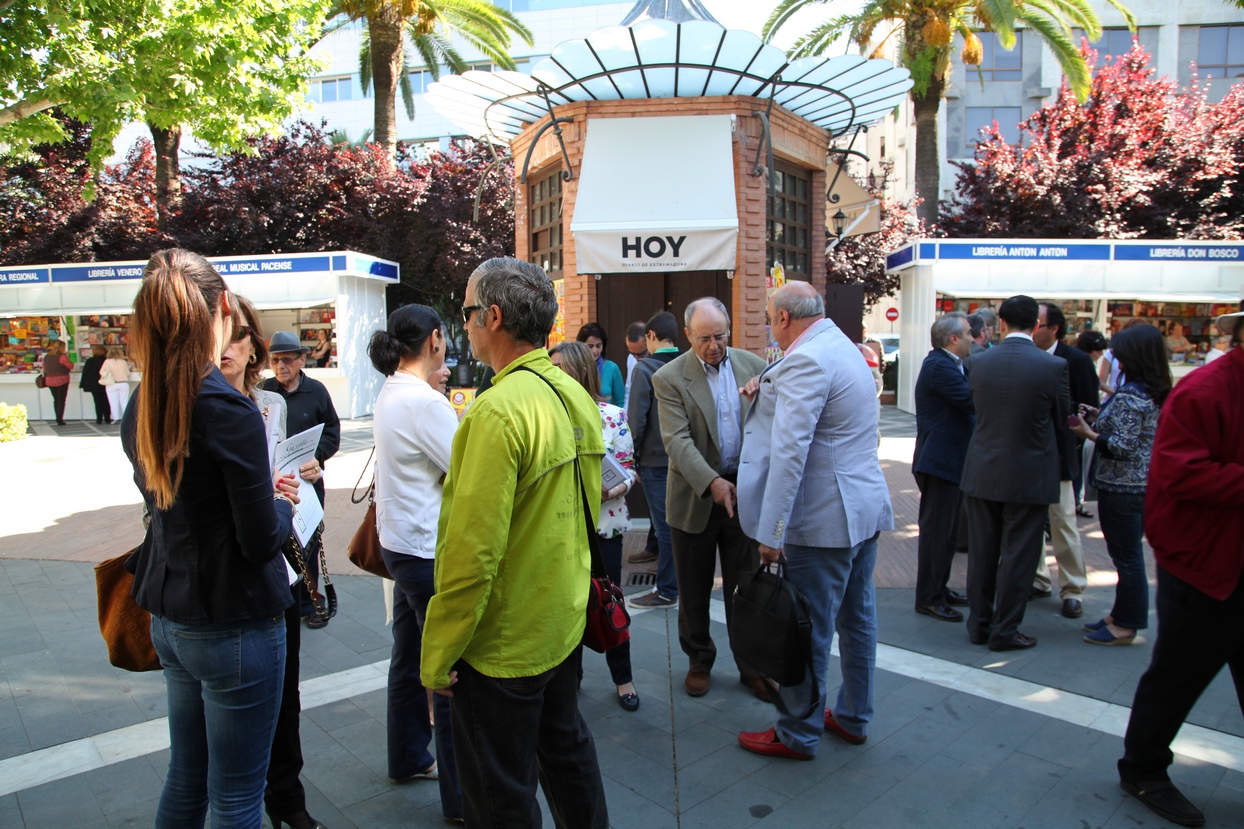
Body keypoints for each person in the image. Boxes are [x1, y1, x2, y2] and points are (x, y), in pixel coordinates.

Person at [420, 257, 608, 829]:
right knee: (567, 755)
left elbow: (469, 554)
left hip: (503, 644)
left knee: (500, 797)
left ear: (493, 317)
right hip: (562, 619)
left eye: (469, 311)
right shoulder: (572, 394)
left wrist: (438, 654)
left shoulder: (498, 410)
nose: (466, 322)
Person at [122, 249, 298, 829]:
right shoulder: (227, 409)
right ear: (223, 307)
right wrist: (279, 501)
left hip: (171, 618)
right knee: (237, 799)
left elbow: (170, 505)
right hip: (235, 624)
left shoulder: (143, 404)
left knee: (186, 778)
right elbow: (258, 542)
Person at [736, 282, 893, 759]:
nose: (769, 327)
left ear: (783, 319)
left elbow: (790, 452)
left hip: (824, 520)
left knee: (809, 630)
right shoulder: (838, 345)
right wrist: (764, 386)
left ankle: (797, 733)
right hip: (861, 510)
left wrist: (772, 531)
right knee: (858, 619)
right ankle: (852, 716)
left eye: (769, 318)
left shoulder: (807, 358)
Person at [1115, 311, 1244, 828]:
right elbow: (1181, 473)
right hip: (1203, 565)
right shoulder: (1205, 390)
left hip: (1223, 557)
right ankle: (1142, 768)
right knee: (1177, 675)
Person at [219, 296, 328, 829]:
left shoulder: (270, 404)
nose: (225, 348)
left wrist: (297, 473)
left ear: (253, 345)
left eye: (237, 336)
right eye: (217, 334)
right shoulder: (185, 405)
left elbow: (279, 460)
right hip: (223, 574)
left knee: (287, 695)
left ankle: (288, 800)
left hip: (279, 556)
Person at [368, 304, 463, 821]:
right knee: (444, 671)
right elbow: (465, 471)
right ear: (434, 340)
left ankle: (406, 754)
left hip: (398, 544)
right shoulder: (423, 402)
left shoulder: (392, 391)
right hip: (426, 550)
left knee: (409, 656)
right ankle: (460, 799)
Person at [652, 297, 769, 700]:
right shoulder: (669, 377)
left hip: (745, 493)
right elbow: (677, 442)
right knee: (694, 588)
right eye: (704, 338)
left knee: (747, 588)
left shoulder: (755, 366)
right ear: (687, 335)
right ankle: (699, 659)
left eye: (720, 335)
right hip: (695, 495)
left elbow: (773, 422)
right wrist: (712, 482)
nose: (713, 345)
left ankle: (751, 665)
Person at [960, 295, 1071, 652]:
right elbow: (1061, 421)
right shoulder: (1052, 367)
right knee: (1020, 556)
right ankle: (1005, 630)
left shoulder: (977, 363)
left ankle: (978, 625)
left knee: (982, 553)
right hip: (1030, 472)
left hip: (983, 468)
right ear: (1036, 325)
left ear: (1001, 324)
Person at [551, 341, 640, 712]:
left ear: (580, 371)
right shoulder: (545, 416)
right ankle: (571, 678)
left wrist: (613, 488)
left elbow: (630, 469)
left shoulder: (613, 417)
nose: (552, 375)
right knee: (565, 608)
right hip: (558, 530)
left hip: (604, 526)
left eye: (559, 368)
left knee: (607, 601)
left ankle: (624, 679)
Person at [1069, 324, 1170, 646]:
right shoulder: (1150, 389)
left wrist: (1089, 433)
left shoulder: (1131, 394)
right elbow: (1135, 434)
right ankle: (1121, 614)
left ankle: (1127, 623)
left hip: (1122, 486)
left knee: (1126, 557)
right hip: (1138, 485)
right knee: (1128, 555)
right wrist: (1100, 415)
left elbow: (1123, 446)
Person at [261, 331, 341, 629]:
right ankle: (283, 600)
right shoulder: (264, 392)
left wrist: (318, 457)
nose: (280, 366)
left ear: (302, 360)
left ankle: (310, 602)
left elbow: (332, 433)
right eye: (274, 360)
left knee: (307, 542)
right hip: (275, 483)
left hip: (308, 480)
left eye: (287, 360)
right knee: (279, 540)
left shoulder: (317, 391)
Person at [1031, 303, 1095, 617]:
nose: (1031, 330)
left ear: (1054, 328)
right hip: (1027, 452)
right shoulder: (1026, 355)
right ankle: (1038, 579)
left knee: (1064, 523)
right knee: (1030, 522)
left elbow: (1088, 408)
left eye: (1036, 324)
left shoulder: (1077, 360)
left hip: (1059, 454)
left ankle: (1073, 589)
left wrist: (1069, 426)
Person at [911, 313, 975, 623]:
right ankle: (929, 598)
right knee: (938, 533)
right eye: (968, 334)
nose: (973, 339)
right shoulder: (940, 366)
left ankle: (939, 588)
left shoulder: (949, 364)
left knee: (948, 533)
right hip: (940, 463)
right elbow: (971, 402)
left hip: (948, 461)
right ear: (953, 339)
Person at [626, 311, 682, 607]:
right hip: (687, 459)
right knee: (679, 523)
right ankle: (674, 578)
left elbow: (636, 420)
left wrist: (629, 458)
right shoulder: (689, 362)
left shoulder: (644, 368)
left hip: (654, 461)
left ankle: (667, 589)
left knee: (665, 528)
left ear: (650, 336)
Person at [576, 322, 625, 406]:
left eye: (598, 346)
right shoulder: (575, 368)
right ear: (581, 346)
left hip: (606, 418)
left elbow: (621, 401)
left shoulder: (611, 368)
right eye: (590, 346)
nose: (595, 351)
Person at [41, 339, 73, 425]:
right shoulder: (62, 357)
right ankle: (59, 419)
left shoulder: (47, 356)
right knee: (61, 399)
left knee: (56, 399)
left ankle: (57, 417)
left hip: (50, 380)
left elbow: (44, 367)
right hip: (62, 380)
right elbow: (70, 366)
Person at [79, 344, 110, 424]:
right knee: (106, 401)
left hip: (93, 384)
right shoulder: (106, 360)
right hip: (105, 383)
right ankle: (107, 418)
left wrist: (82, 384)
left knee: (97, 402)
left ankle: (99, 419)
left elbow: (85, 373)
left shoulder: (90, 361)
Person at [102, 347, 133, 422]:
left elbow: (101, 372)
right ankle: (126, 418)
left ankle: (116, 418)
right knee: (124, 401)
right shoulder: (123, 362)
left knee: (113, 402)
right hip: (123, 384)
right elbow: (128, 373)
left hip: (112, 384)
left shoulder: (107, 361)